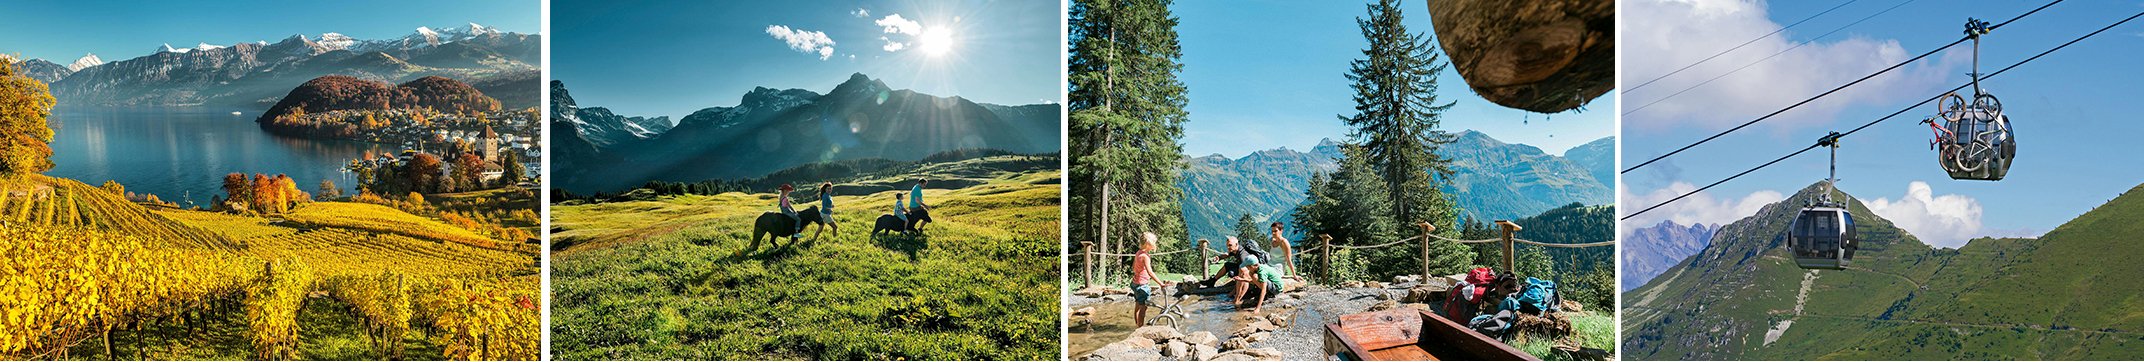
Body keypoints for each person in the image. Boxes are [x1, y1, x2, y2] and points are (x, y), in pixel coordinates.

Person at [1131, 232, 1170, 326]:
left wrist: (1140, 274)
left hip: (1135, 283)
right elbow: (1150, 272)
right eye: (1154, 243)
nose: (1155, 245)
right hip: (1142, 286)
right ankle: (1140, 329)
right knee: (1143, 309)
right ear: (1149, 244)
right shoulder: (1145, 256)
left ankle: (1137, 326)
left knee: (1137, 306)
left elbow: (1133, 267)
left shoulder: (1138, 253)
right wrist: (1161, 284)